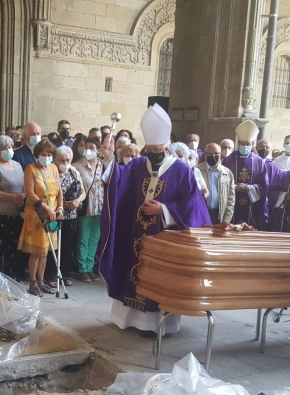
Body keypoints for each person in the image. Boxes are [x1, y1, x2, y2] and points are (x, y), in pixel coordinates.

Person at [99, 104, 210, 337]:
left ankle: (156, 324)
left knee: (158, 278)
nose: (152, 154)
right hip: (134, 236)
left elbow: (193, 205)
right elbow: (117, 182)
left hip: (164, 240)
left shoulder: (182, 171)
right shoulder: (138, 165)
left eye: (156, 150)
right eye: (148, 149)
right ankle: (128, 319)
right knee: (135, 272)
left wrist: (165, 210)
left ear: (167, 147)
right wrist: (109, 160)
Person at [18, 138, 63, 297]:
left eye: (49, 154)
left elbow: (59, 191)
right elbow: (30, 194)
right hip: (37, 214)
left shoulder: (54, 168)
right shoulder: (30, 169)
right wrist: (46, 208)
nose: (47, 157)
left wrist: (60, 208)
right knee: (36, 251)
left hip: (52, 215)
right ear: (37, 155)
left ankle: (41, 281)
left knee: (45, 251)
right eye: (43, 154)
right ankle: (33, 283)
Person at [0, 135, 26, 280]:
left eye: (9, 147)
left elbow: (24, 186)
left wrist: (23, 196)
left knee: (12, 247)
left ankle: (10, 277)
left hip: (16, 213)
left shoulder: (18, 165)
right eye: (4, 148)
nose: (8, 150)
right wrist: (14, 197)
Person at [45, 146, 85, 287]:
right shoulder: (50, 172)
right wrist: (61, 205)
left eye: (68, 160)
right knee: (53, 246)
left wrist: (77, 201)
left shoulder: (74, 172)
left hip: (71, 215)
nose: (65, 163)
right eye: (62, 160)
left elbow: (83, 192)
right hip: (54, 214)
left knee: (67, 246)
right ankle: (50, 275)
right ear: (55, 159)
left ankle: (65, 274)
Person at [223, 121, 268, 229]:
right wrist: (234, 187)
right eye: (243, 144)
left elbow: (264, 184)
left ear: (252, 144)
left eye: (248, 144)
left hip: (252, 205)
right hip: (232, 202)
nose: (245, 146)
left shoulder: (259, 161)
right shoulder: (229, 160)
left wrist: (249, 188)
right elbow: (222, 182)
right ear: (238, 143)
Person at [74, 137, 104, 283]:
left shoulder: (104, 166)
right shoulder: (77, 166)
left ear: (99, 150)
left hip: (101, 208)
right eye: (86, 147)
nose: (88, 150)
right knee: (83, 239)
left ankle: (90, 267)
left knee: (94, 240)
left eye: (92, 147)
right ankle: (82, 269)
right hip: (86, 207)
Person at [197, 143, 235, 224]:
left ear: (220, 155)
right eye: (210, 154)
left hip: (219, 214)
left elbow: (231, 198)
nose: (213, 156)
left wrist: (227, 218)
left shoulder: (227, 173)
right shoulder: (196, 171)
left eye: (216, 154)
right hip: (201, 212)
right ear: (205, 155)